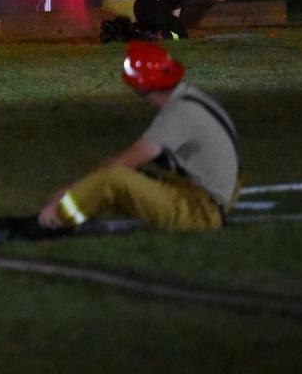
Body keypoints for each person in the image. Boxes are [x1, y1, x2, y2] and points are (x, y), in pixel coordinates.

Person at [35, 41, 240, 232]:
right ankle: (79, 207)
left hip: (201, 211)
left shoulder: (178, 114)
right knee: (125, 177)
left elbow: (122, 164)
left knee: (112, 177)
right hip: (212, 197)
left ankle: (54, 221)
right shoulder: (192, 98)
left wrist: (68, 193)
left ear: (140, 85)